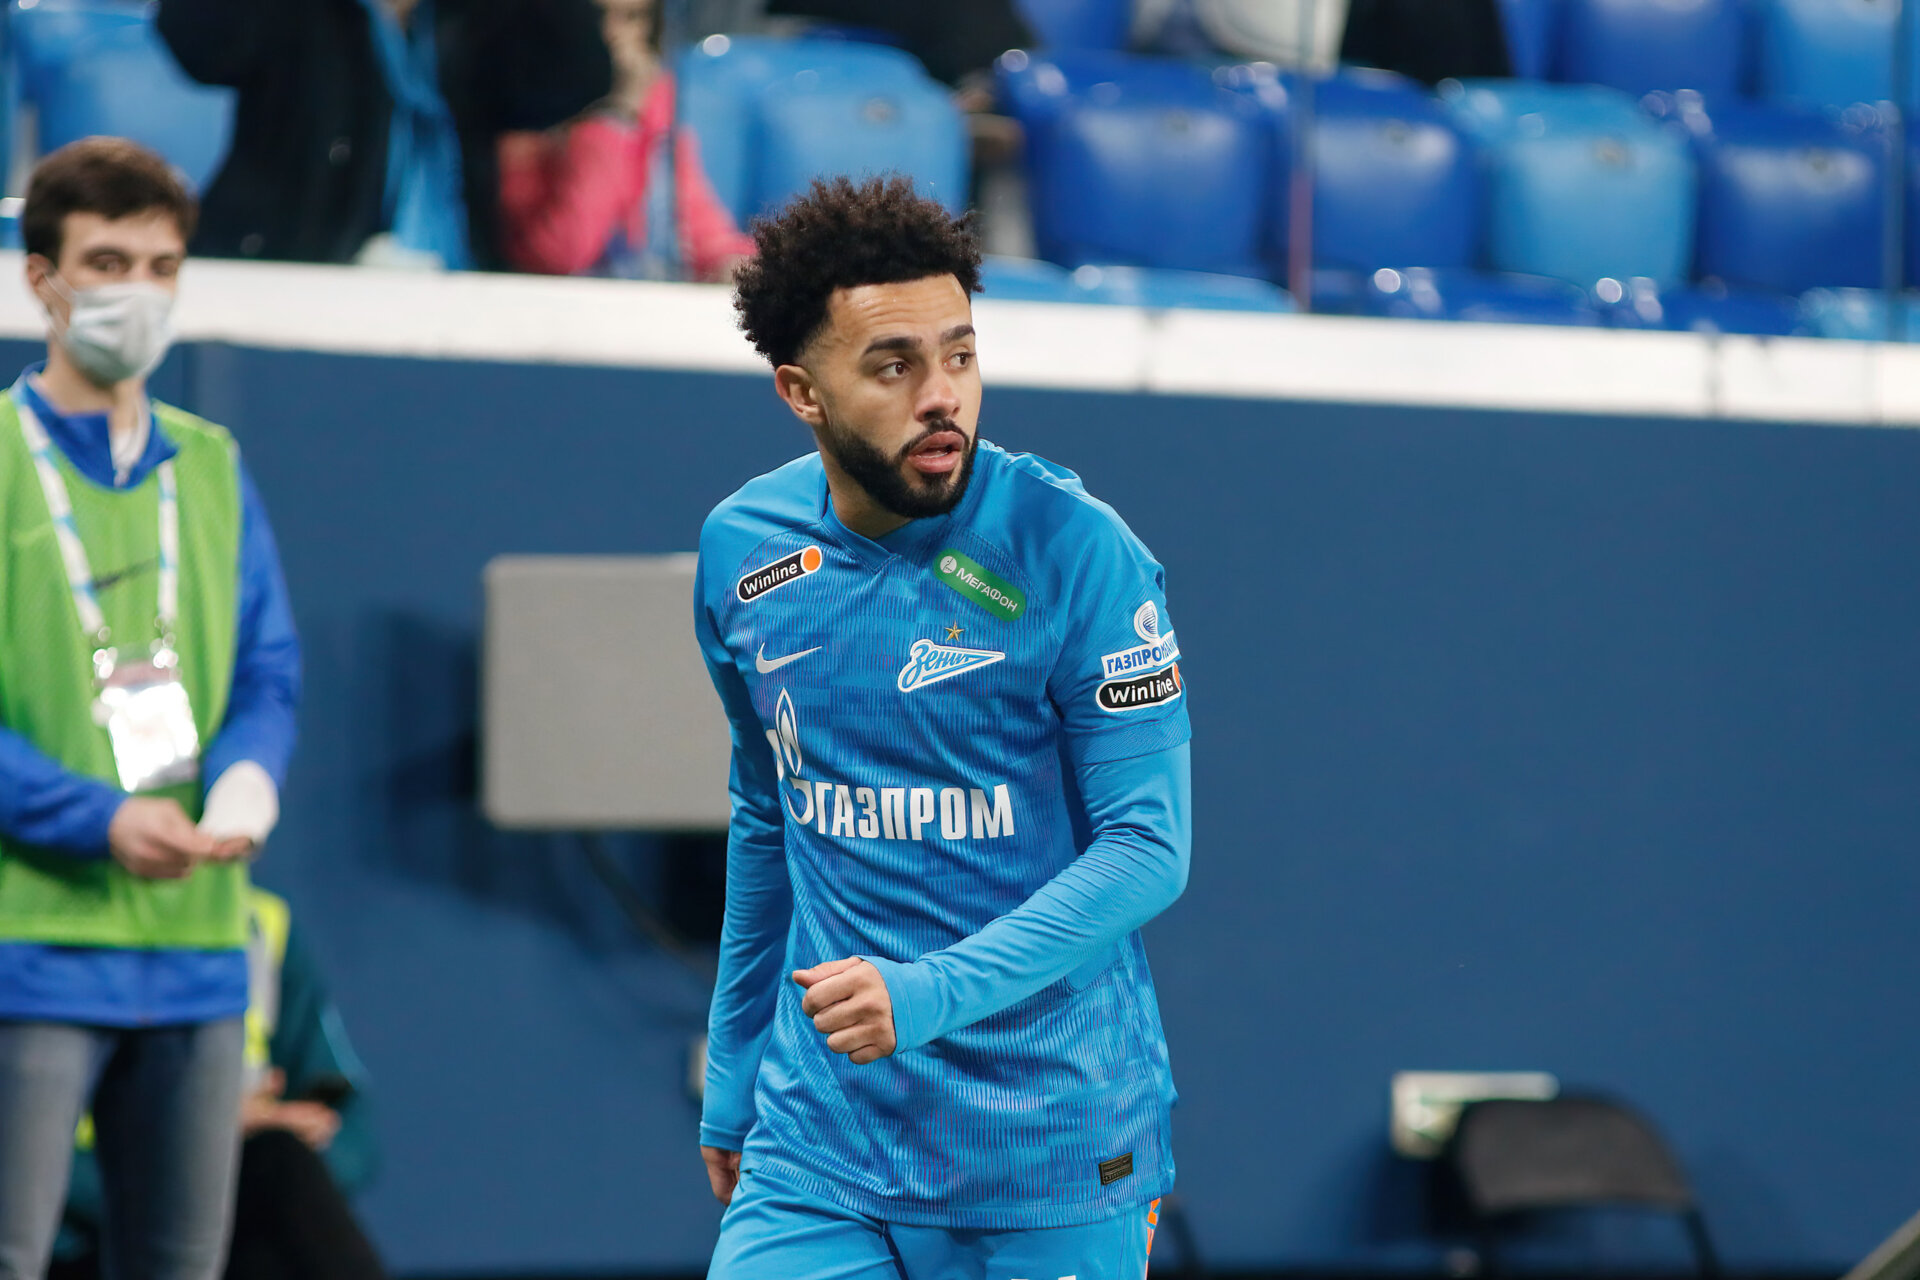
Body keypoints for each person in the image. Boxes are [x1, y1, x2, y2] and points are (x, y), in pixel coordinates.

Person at [694, 176, 1192, 1278]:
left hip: (1049, 1148)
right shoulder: (741, 550)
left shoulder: (1079, 551)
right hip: (820, 1139)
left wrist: (926, 995)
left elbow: (1148, 848)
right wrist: (734, 1071)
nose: (942, 397)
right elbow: (769, 814)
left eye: (960, 355)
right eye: (893, 366)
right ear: (801, 391)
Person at [0, 137, 301, 1280]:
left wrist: (246, 782)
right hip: (30, 944)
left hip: (196, 948)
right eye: (108, 262)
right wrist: (98, 816)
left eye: (163, 266)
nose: (139, 291)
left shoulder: (211, 463)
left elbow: (268, 666)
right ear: (43, 278)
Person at [56, 889, 386, 1280]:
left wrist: (258, 1141)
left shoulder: (263, 923)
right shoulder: (61, 926)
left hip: (228, 1214)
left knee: (278, 1183)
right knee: (274, 1164)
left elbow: (355, 1141)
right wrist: (209, 1135)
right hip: (92, 1237)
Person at [155, 0, 612, 270]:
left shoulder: (472, 19)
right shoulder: (300, 13)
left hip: (458, 293)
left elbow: (572, 82)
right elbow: (199, 43)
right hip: (297, 279)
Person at [497, 0, 755, 281]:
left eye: (631, 18)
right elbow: (561, 255)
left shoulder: (654, 102)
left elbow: (698, 224)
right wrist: (615, 118)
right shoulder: (526, 118)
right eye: (598, 16)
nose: (613, 33)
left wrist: (731, 261)